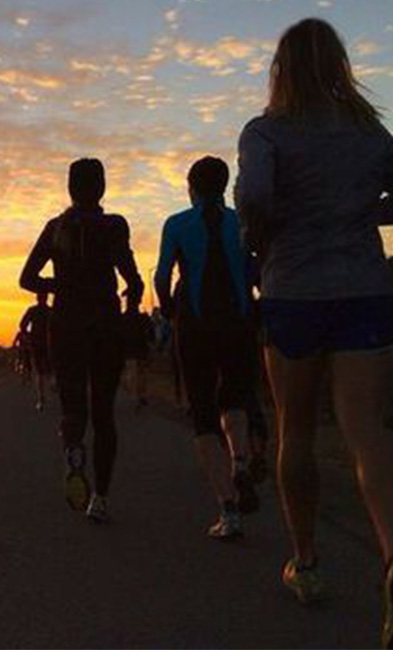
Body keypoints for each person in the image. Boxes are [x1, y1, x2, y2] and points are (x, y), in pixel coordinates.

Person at [236, 18, 393, 647]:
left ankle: (307, 561)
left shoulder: (265, 131)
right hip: (363, 290)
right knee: (366, 433)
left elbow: (255, 196)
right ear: (340, 66)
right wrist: (366, 209)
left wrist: (259, 230)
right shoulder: (368, 132)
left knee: (295, 429)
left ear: (281, 70)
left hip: (293, 292)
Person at [20, 158, 144, 524]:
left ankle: (74, 453)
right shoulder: (114, 225)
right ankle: (100, 499)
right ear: (102, 187)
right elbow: (132, 278)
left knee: (73, 408)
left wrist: (59, 285)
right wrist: (131, 302)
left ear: (70, 188)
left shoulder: (56, 227)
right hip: (105, 325)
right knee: (104, 413)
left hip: (65, 327)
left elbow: (26, 279)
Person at [155, 156, 259, 541]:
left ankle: (228, 510)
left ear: (191, 188)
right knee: (234, 397)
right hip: (238, 320)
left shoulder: (177, 224)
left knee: (202, 411)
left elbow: (162, 275)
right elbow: (255, 270)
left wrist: (168, 310)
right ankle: (240, 461)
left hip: (194, 322)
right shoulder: (240, 222)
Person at [19, 292, 53, 410]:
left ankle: (41, 399)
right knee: (49, 368)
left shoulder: (33, 310)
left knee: (39, 372)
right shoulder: (50, 311)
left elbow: (22, 325)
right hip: (48, 343)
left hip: (37, 343)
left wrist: (27, 336)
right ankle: (51, 385)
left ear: (37, 298)